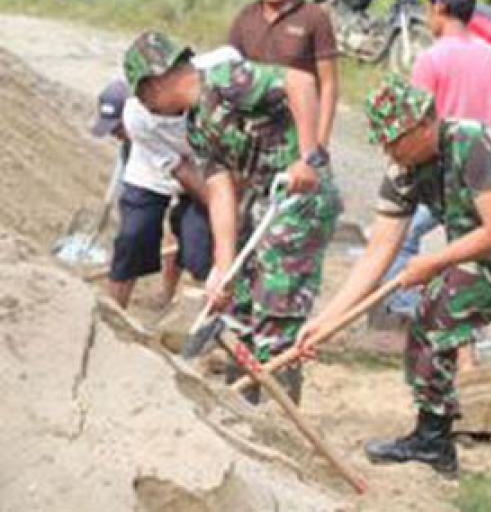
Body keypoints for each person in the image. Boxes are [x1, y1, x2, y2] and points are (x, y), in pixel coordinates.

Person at [295, 77, 491, 511]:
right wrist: (326, 319)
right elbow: (379, 251)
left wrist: (433, 262)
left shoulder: (474, 143)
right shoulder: (402, 171)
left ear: (425, 124)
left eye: (395, 141)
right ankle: (433, 439)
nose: (389, 152)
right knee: (432, 321)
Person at [123, 31, 341, 404]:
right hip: (260, 204)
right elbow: (219, 188)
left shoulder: (226, 80)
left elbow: (300, 80)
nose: (146, 107)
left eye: (143, 96)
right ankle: (243, 408)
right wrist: (223, 266)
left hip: (299, 203)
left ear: (156, 80)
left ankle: (277, 416)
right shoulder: (195, 125)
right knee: (238, 308)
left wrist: (308, 155)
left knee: (275, 309)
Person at [382, 0, 491, 317]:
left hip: (441, 165)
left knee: (405, 236)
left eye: (429, 7)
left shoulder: (430, 59)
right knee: (463, 247)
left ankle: (403, 309)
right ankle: (462, 330)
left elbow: (415, 121)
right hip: (484, 166)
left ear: (439, 7)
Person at [91, 78, 212, 310]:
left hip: (197, 172)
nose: (116, 135)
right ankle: (113, 313)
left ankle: (175, 301)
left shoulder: (198, 109)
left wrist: (221, 209)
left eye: (117, 128)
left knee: (196, 243)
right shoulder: (136, 138)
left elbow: (189, 175)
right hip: (153, 176)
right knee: (132, 237)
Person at [228, 0, 339, 151]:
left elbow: (329, 84)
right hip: (251, 132)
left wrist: (321, 142)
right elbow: (229, 75)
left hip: (298, 132)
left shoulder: (313, 17)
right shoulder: (245, 18)